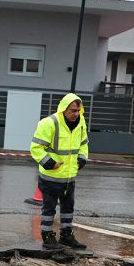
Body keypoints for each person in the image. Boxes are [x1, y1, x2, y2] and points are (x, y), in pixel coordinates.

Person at [29, 93, 89, 250]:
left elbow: (83, 144)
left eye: (78, 110)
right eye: (73, 111)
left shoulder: (81, 122)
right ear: (63, 109)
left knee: (68, 208)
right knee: (49, 209)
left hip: (69, 177)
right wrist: (49, 163)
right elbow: (36, 148)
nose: (76, 114)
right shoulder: (49, 123)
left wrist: (82, 159)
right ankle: (47, 237)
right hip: (51, 176)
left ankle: (66, 236)